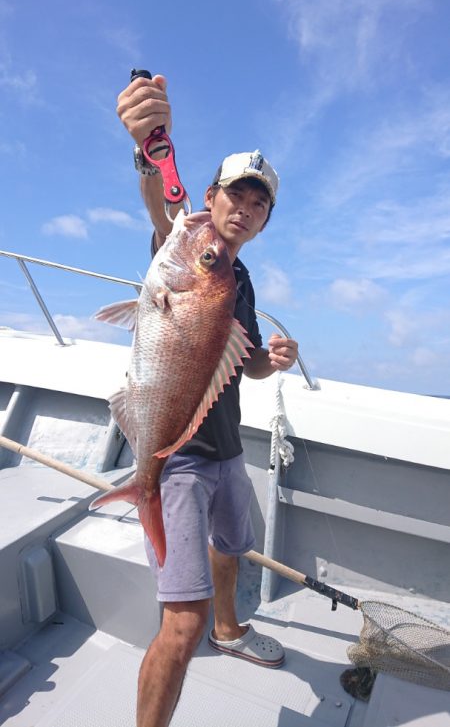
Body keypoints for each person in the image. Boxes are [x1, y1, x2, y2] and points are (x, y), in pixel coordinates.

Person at [117, 74, 298, 727]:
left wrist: (267, 360)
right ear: (212, 196)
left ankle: (233, 628)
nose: (244, 209)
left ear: (265, 219)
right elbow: (161, 209)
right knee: (179, 622)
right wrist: (149, 150)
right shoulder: (188, 249)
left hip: (226, 449)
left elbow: (238, 369)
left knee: (233, 548)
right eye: (235, 193)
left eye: (260, 203)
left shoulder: (236, 275)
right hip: (177, 461)